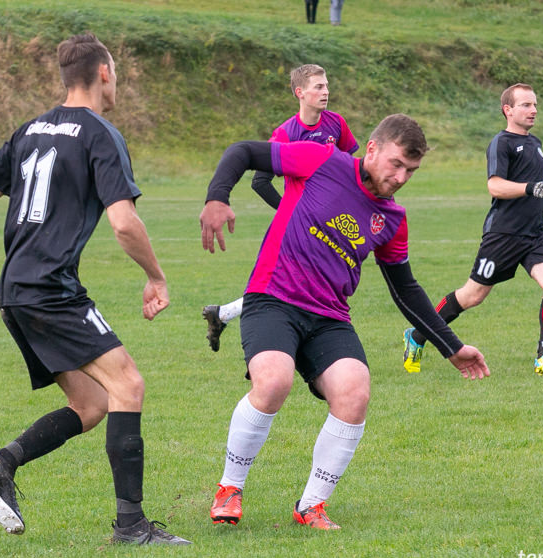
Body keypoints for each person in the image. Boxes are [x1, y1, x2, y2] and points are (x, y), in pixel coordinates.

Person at [0, 33, 189, 546]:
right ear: (104, 73)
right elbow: (124, 222)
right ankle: (131, 527)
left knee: (94, 403)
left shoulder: (30, 130)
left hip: (16, 292)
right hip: (51, 289)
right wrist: (156, 277)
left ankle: (1, 462)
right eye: (116, 73)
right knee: (130, 386)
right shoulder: (100, 133)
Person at [199, 114, 490, 530]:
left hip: (330, 317)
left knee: (354, 392)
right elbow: (243, 152)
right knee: (273, 382)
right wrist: (216, 196)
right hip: (273, 299)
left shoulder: (392, 219)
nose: (402, 176)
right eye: (396, 163)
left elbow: (405, 291)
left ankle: (312, 505)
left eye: (411, 170)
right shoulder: (321, 161)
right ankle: (230, 488)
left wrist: (451, 346)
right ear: (372, 149)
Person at [401, 83, 543, 375]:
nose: (533, 110)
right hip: (504, 235)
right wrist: (531, 188)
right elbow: (494, 185)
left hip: (535, 234)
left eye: (535, 105)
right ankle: (418, 334)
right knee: (472, 296)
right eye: (525, 105)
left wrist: (541, 203)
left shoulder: (535, 143)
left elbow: (526, 189)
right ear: (508, 110)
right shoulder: (502, 143)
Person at [202, 63, 358, 352]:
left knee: (300, 285)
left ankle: (222, 314)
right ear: (300, 93)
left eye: (326, 86)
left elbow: (351, 169)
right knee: (291, 285)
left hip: (331, 221)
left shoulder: (336, 124)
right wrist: (292, 212)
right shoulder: (286, 133)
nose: (326, 92)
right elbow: (260, 182)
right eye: (318, 87)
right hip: (299, 229)